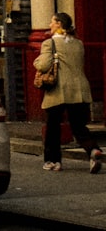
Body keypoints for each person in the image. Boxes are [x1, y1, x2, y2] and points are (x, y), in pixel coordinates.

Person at [34, 12, 103, 173]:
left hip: (59, 90)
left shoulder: (49, 43)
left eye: (52, 22)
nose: (50, 25)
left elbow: (43, 65)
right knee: (78, 126)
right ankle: (93, 150)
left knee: (53, 126)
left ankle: (53, 161)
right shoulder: (78, 43)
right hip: (80, 89)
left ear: (59, 24)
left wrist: (36, 61)